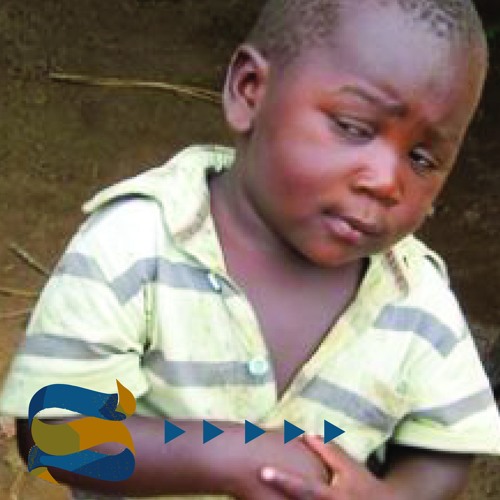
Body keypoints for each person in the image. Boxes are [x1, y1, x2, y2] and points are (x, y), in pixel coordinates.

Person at [1, 0, 500, 498]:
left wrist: (385, 497)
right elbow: (53, 438)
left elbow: (442, 453)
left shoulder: (417, 299)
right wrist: (221, 455)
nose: (387, 182)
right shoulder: (137, 244)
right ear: (250, 90)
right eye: (353, 127)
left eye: (422, 159)